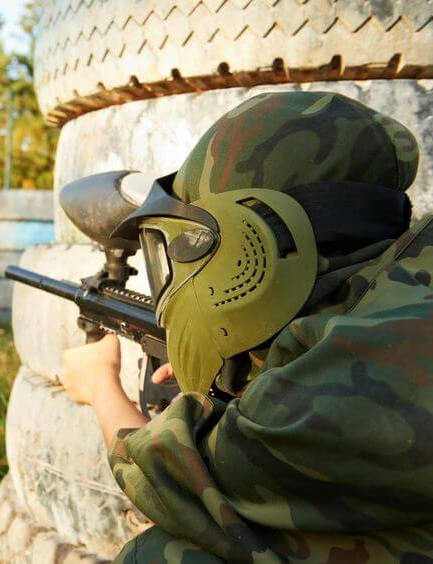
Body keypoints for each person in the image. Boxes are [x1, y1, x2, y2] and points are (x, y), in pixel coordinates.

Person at [60, 92, 433, 561]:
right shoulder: (397, 297)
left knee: (163, 552)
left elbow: (177, 483)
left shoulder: (343, 392)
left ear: (247, 245)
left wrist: (99, 385)